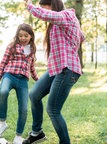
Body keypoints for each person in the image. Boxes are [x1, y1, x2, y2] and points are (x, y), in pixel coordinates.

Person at [22, 0, 85, 144]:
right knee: (34, 94)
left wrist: (30, 6)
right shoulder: (63, 22)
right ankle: (36, 133)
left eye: (45, 7)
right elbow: (82, 36)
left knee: (53, 109)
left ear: (53, 5)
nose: (44, 11)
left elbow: (47, 15)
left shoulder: (66, 15)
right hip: (57, 68)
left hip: (67, 69)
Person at [0, 23, 39, 144]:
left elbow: (31, 66)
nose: (23, 38)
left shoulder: (32, 49)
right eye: (20, 35)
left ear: (31, 36)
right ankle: (2, 123)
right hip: (9, 75)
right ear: (17, 36)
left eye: (26, 35)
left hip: (23, 80)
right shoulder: (12, 46)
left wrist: (37, 79)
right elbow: (3, 63)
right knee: (3, 92)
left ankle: (18, 136)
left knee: (23, 108)